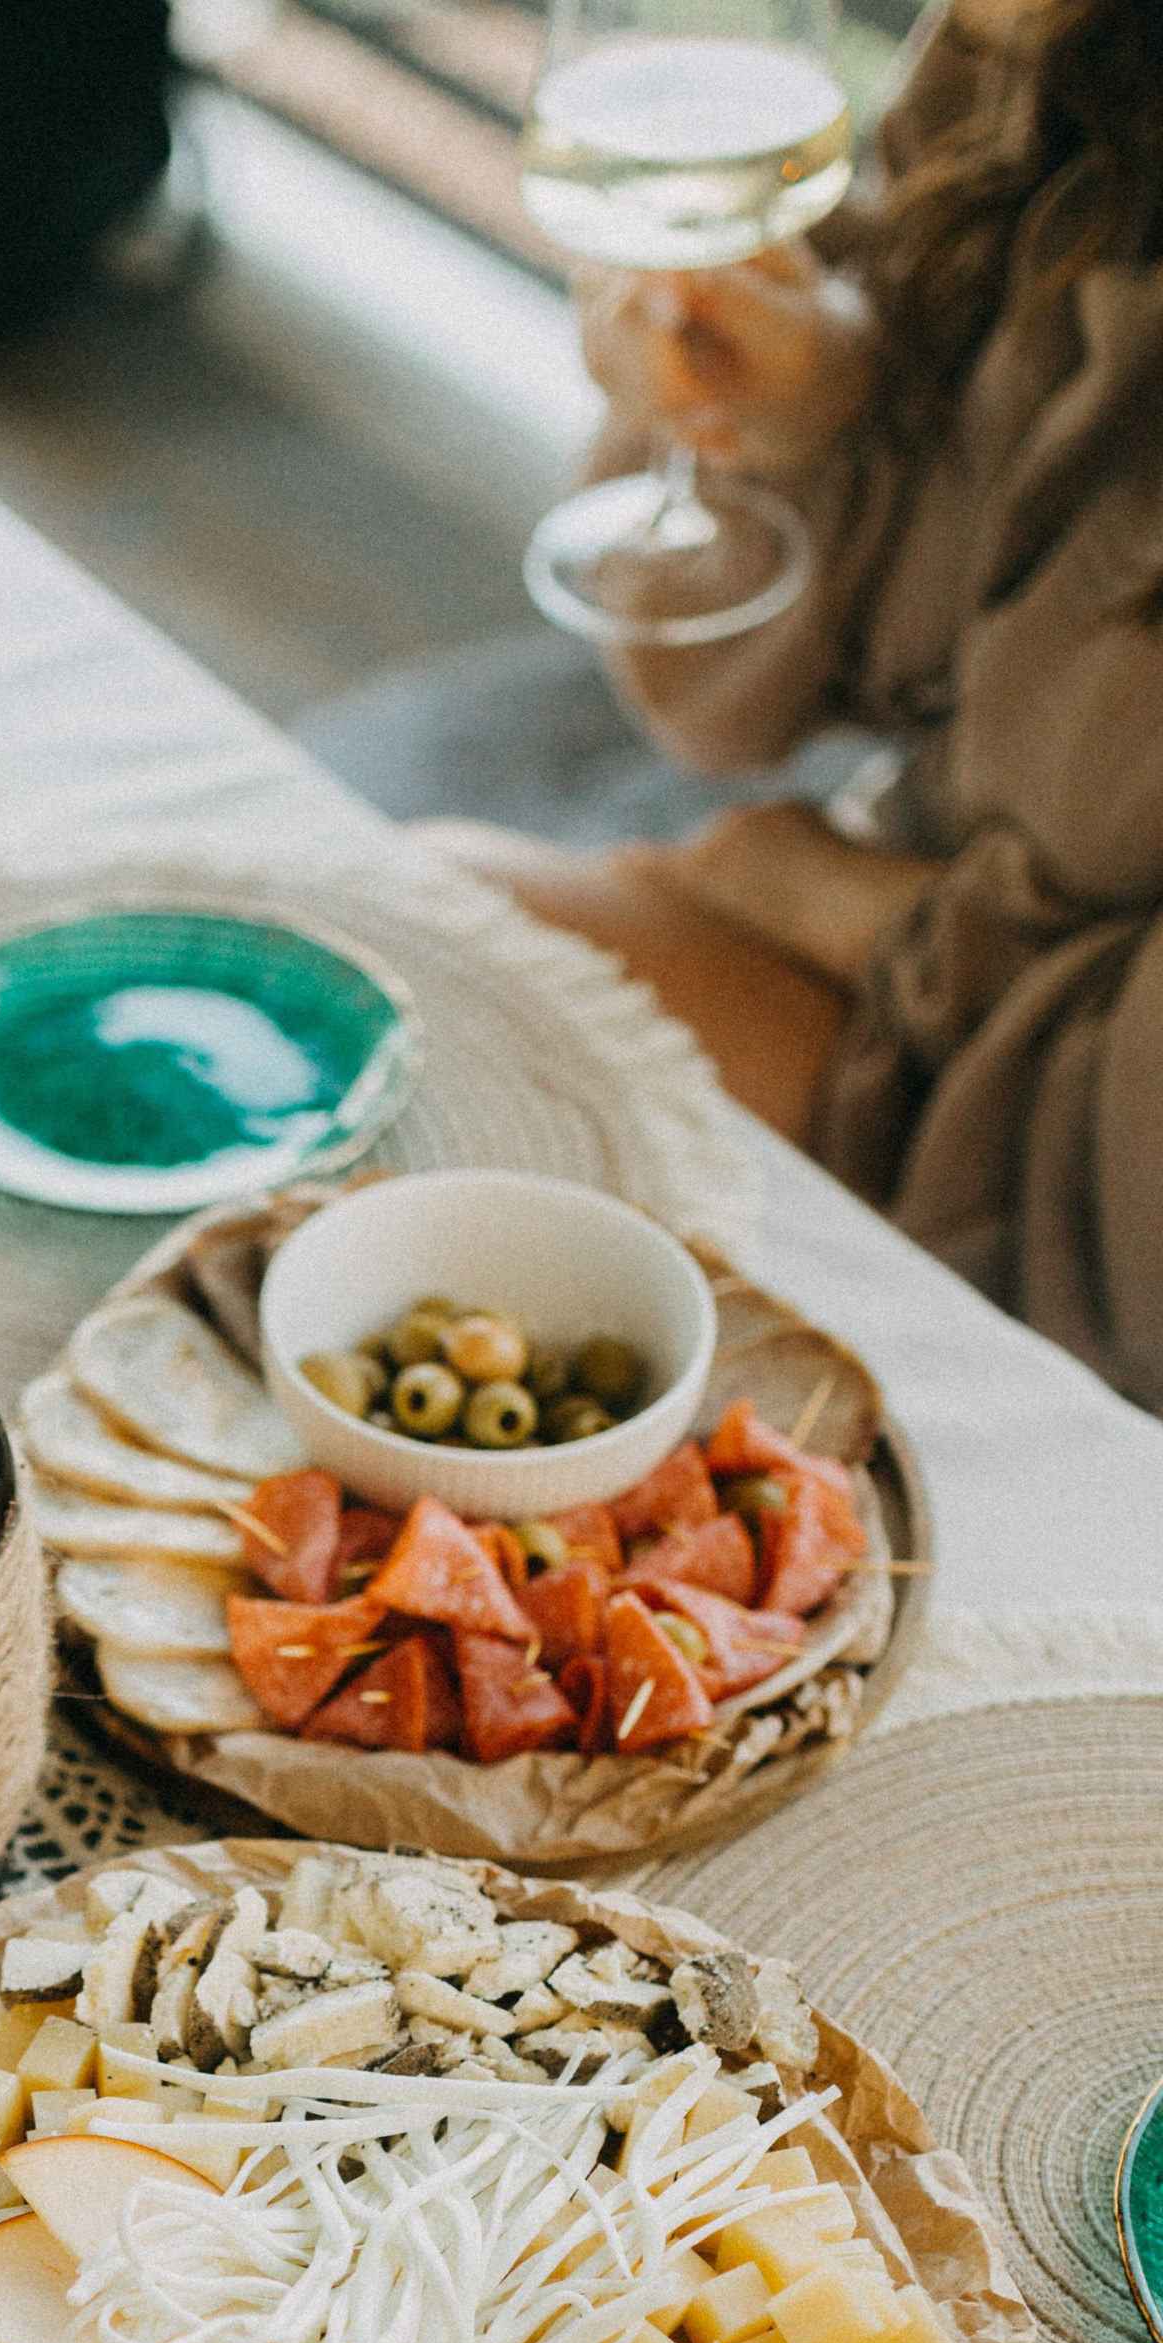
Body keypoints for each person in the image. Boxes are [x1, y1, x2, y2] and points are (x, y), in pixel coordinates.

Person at [421, 0, 1163, 1407]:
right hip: (944, 1019)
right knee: (404, 968)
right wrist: (813, 412)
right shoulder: (1054, 50)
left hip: (1084, 1170)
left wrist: (855, 911)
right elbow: (744, 708)